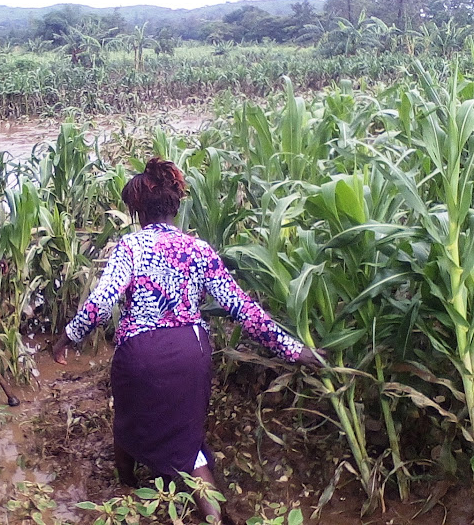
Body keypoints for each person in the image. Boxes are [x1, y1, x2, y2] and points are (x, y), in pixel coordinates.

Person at [52, 157, 322, 524]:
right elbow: (241, 308)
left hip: (140, 352)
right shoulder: (199, 249)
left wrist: (68, 336)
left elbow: (101, 302)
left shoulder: (131, 247)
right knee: (187, 442)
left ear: (137, 209)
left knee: (128, 419)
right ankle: (210, 513)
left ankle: (127, 488)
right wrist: (294, 349)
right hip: (189, 351)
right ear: (176, 205)